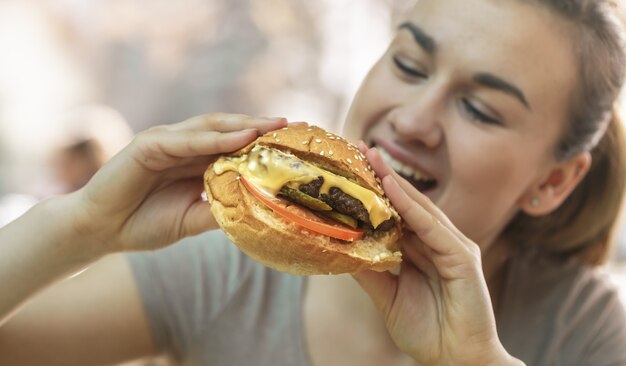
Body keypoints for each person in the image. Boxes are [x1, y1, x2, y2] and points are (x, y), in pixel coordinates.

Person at [1, 0, 625, 365]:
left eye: (481, 109)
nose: (412, 119)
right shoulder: (221, 265)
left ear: (553, 182)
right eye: (408, 64)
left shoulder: (585, 326)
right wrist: (85, 223)